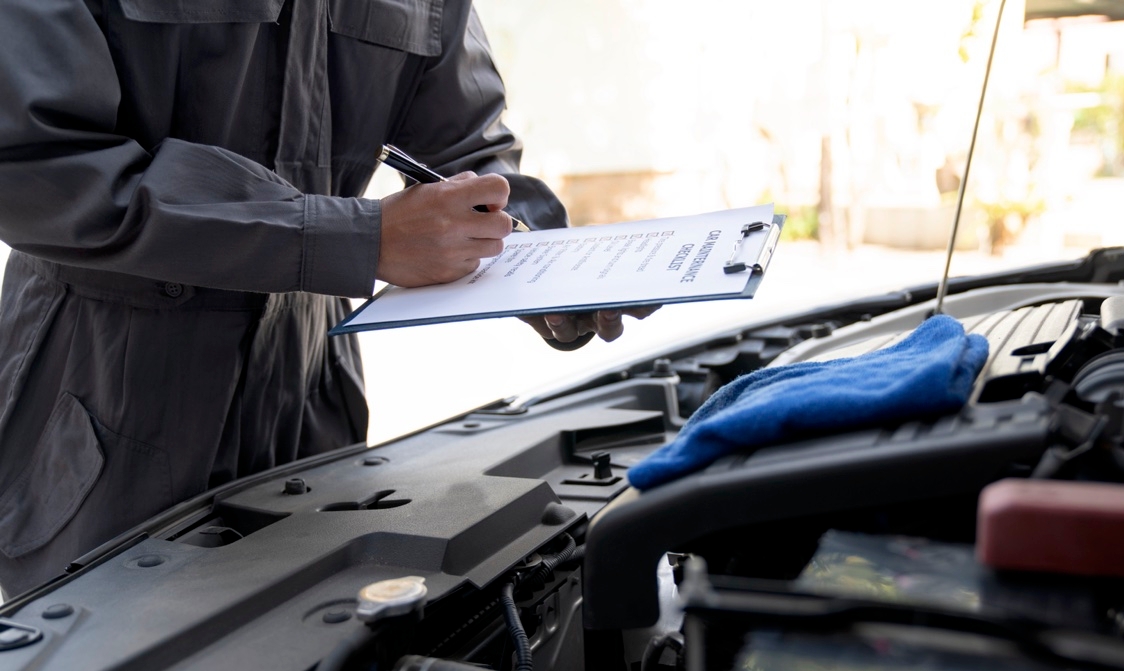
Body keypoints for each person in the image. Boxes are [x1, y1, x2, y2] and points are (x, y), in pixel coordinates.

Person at [0, 0, 644, 596]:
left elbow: (472, 156)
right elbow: (32, 165)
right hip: (103, 394)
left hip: (311, 393)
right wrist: (354, 238)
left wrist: (556, 273)